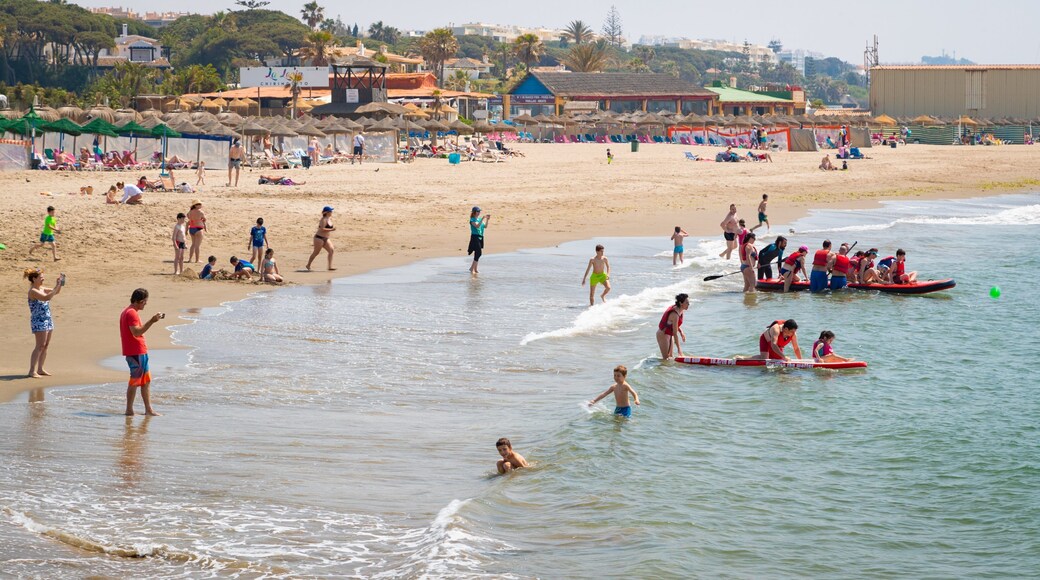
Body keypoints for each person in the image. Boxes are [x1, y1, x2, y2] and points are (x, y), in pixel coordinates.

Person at [120, 288, 162, 416]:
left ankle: (148, 409)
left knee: (145, 381)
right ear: (140, 301)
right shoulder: (131, 313)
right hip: (135, 352)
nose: (146, 304)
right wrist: (152, 321)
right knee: (135, 380)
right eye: (145, 301)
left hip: (138, 351)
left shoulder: (128, 311)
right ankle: (129, 410)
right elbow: (136, 332)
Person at [25, 268, 63, 378]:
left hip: (48, 319)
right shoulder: (33, 291)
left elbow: (56, 292)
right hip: (38, 321)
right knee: (39, 345)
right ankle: (32, 371)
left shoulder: (41, 288)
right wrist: (55, 288)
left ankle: (40, 369)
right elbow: (47, 297)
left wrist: (59, 284)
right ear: (34, 279)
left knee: (46, 345)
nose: (43, 279)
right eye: (41, 277)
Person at [656, 293, 690, 359]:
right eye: (687, 303)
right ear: (681, 303)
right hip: (663, 334)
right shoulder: (675, 314)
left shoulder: (680, 310)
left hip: (669, 334)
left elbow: (673, 324)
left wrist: (681, 332)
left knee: (670, 357)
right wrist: (679, 349)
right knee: (666, 359)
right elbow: (675, 333)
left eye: (688, 303)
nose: (688, 304)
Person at [305, 206, 336, 271]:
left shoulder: (329, 219)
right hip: (319, 238)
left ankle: (329, 267)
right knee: (316, 252)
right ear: (327, 212)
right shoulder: (323, 219)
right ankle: (308, 265)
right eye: (330, 211)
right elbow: (322, 229)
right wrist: (331, 229)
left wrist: (331, 229)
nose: (331, 212)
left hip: (326, 238)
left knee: (331, 250)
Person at [467, 206, 489, 276]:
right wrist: (482, 219)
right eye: (478, 211)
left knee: (477, 253)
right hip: (475, 237)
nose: (479, 213)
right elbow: (477, 226)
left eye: (479, 211)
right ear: (474, 212)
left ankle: (475, 269)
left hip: (480, 237)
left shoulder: (479, 219)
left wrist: (487, 220)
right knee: (479, 253)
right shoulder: (472, 220)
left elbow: (485, 227)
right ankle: (472, 268)